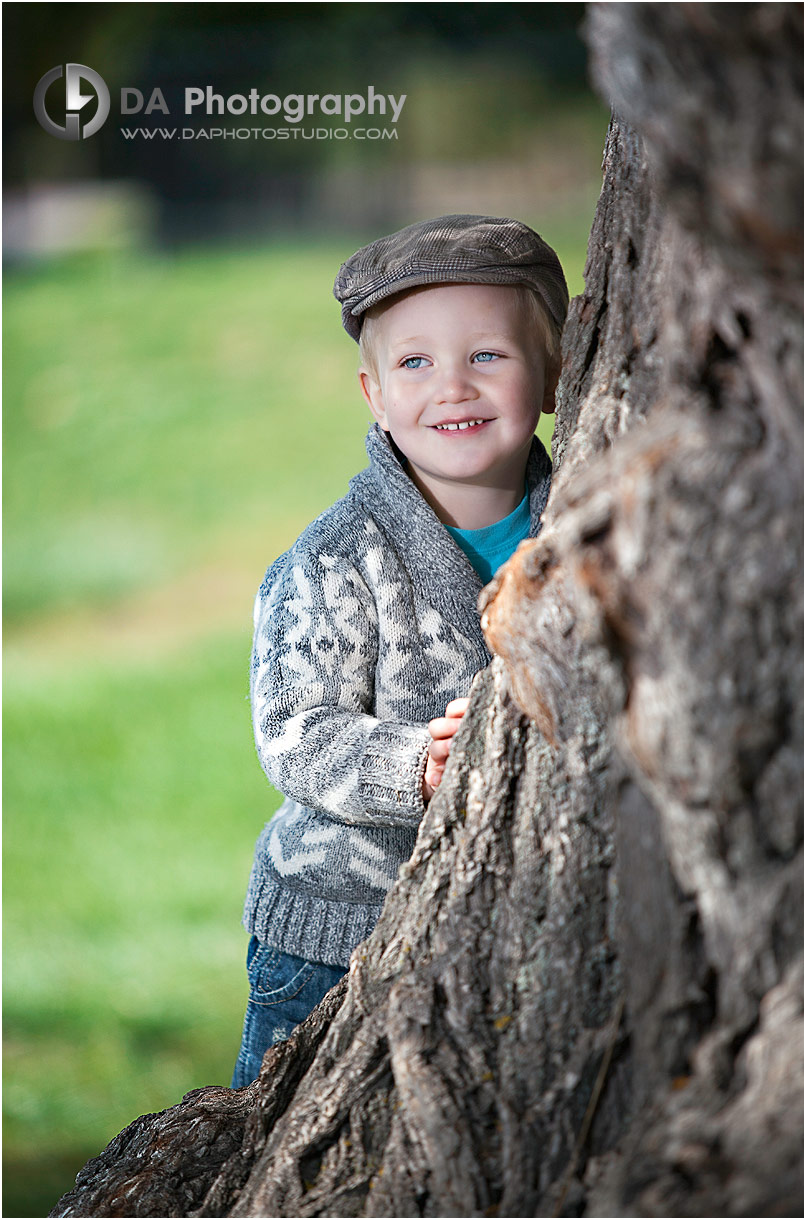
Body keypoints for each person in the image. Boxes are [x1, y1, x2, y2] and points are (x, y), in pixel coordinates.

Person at [231, 214, 568, 1087]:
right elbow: (295, 731)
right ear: (373, 394)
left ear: (556, 370)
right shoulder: (333, 561)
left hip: (513, 919)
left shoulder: (579, 529)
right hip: (338, 934)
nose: (451, 387)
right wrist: (413, 762)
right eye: (414, 363)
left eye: (486, 356)